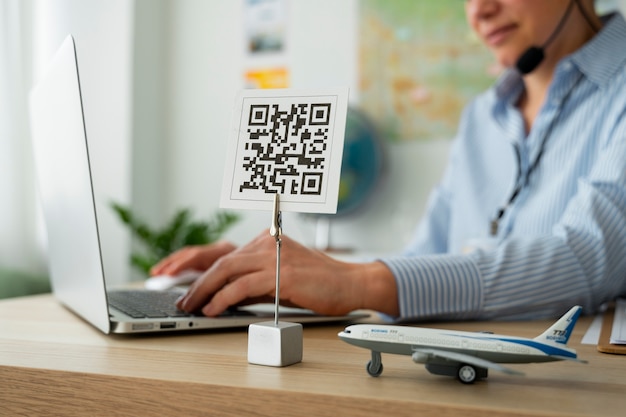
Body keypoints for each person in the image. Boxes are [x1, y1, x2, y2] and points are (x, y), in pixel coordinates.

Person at [152, 0, 626, 321]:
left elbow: (590, 257)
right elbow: (422, 259)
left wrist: (357, 282)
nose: (479, 11)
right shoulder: (482, 116)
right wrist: (284, 270)